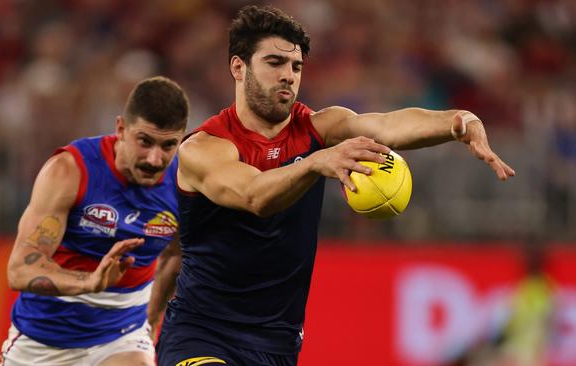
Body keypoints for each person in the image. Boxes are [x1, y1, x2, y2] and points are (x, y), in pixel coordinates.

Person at [156, 5, 516, 366]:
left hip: (278, 345)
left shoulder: (317, 127)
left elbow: (387, 127)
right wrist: (315, 163)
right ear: (239, 67)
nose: (288, 76)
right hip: (203, 333)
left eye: (295, 67)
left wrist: (459, 121)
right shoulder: (204, 147)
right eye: (274, 63)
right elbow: (254, 195)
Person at [0, 76, 187, 366]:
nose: (154, 158)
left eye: (168, 145)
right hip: (43, 340)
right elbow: (19, 270)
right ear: (121, 129)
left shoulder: (184, 183)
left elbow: (175, 254)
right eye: (145, 142)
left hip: (122, 337)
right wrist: (90, 282)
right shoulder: (70, 171)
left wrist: (151, 321)